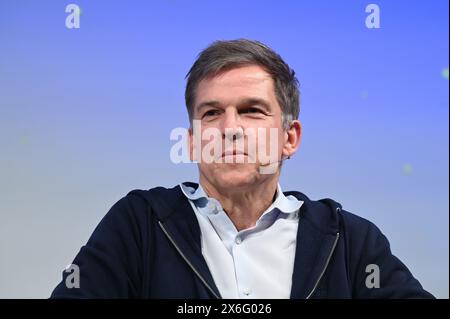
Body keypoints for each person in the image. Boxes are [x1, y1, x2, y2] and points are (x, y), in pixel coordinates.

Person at [51, 39, 434, 299]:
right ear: (192, 140)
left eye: (251, 110)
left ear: (290, 138)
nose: (230, 129)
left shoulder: (350, 241)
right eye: (212, 112)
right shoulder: (139, 226)